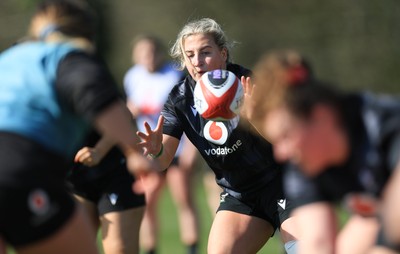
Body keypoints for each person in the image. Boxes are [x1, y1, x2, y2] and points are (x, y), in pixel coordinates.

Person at [0, 1, 154, 254]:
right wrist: (134, 152)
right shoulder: (66, 56)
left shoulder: (9, 58)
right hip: (20, 168)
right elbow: (97, 97)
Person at [136, 18, 299, 254]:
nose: (197, 62)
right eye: (189, 55)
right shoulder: (179, 99)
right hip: (240, 195)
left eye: (205, 52)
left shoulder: (250, 84)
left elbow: (287, 142)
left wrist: (254, 118)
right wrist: (156, 150)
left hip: (285, 183)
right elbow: (163, 160)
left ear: (223, 53)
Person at [244, 49, 400, 254]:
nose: (280, 153)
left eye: (286, 135)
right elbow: (317, 243)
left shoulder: (386, 127)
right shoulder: (304, 163)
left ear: (320, 114)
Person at [123, 34, 200, 254]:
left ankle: (192, 249)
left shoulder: (174, 76)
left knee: (183, 199)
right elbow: (127, 112)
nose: (147, 57)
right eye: (142, 53)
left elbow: (191, 114)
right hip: (149, 149)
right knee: (147, 201)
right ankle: (150, 249)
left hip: (177, 146)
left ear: (159, 53)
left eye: (151, 52)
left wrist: (191, 150)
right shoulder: (132, 77)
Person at [66, 129, 145, 254]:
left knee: (120, 250)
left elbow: (124, 115)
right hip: (71, 173)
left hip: (117, 170)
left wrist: (99, 150)